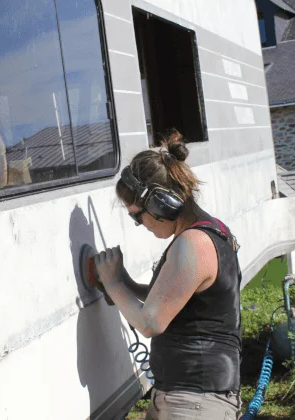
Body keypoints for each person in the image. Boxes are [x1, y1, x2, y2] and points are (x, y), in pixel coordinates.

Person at [93, 129, 243, 420]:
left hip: (194, 402)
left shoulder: (194, 244)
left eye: (137, 214)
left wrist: (112, 284)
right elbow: (171, 298)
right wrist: (125, 283)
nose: (139, 223)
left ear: (161, 204)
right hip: (183, 396)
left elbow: (151, 321)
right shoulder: (210, 231)